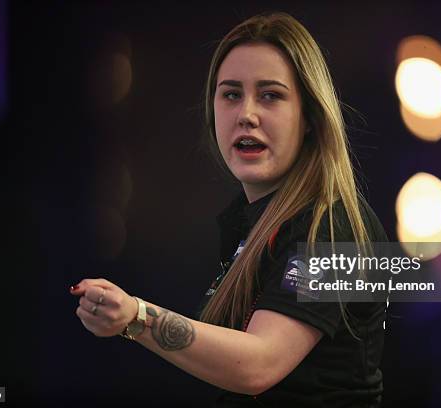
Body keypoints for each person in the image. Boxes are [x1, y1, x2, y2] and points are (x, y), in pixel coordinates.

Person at [71, 11, 388, 407]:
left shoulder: (331, 226)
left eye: (270, 95)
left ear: (309, 116)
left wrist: (136, 317)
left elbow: (257, 365)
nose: (246, 114)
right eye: (231, 94)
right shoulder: (249, 221)